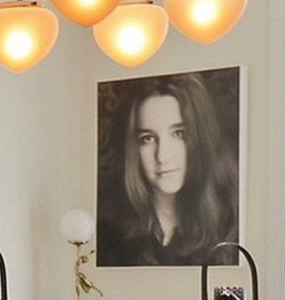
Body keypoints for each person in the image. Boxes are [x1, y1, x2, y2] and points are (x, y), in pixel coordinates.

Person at [99, 72, 237, 265]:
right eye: (147, 138)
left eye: (178, 134)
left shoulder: (232, 224)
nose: (162, 156)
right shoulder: (108, 235)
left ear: (201, 137)